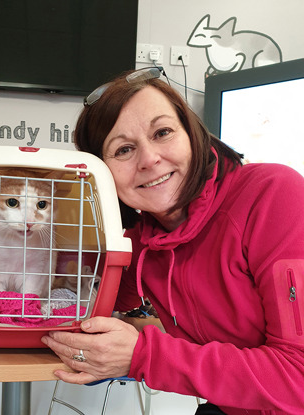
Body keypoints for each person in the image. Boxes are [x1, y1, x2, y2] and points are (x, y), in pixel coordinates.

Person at [41, 67, 304, 415]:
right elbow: (90, 301)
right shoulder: (142, 238)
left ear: (192, 132)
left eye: (162, 132)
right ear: (102, 175)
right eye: (123, 150)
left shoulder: (274, 195)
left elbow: (297, 377)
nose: (149, 159)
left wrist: (143, 355)